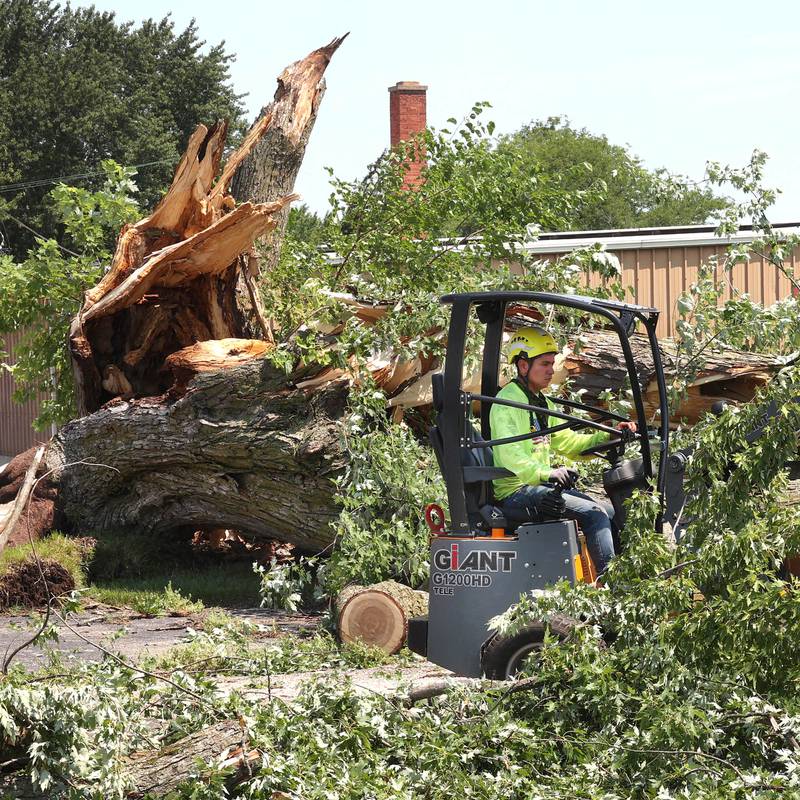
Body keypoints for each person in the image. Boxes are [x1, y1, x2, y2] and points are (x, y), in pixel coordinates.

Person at [489, 325, 637, 574]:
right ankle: (612, 586)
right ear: (523, 366)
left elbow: (569, 443)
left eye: (553, 363)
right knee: (594, 514)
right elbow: (510, 456)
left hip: (539, 487)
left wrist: (609, 433)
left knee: (612, 510)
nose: (551, 370)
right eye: (544, 364)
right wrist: (548, 474)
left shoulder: (540, 402)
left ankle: (623, 576)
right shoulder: (507, 403)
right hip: (516, 492)